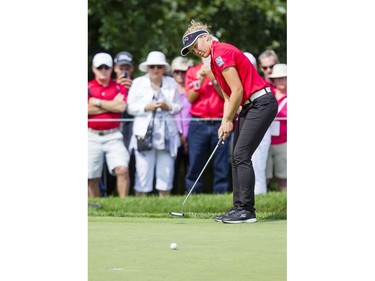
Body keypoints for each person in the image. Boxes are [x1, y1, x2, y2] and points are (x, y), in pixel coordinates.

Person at [181, 20, 278, 223]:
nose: (195, 51)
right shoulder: (213, 61)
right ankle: (238, 208)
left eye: (195, 46)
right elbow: (228, 97)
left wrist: (227, 120)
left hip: (261, 102)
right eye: (190, 50)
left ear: (205, 37)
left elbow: (238, 91)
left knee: (241, 155)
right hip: (251, 105)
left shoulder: (221, 52)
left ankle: (246, 210)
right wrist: (225, 123)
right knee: (236, 156)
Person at [127, 51, 182, 197]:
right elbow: (130, 107)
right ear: (147, 68)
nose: (155, 69)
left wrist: (168, 106)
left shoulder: (171, 83)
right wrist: (147, 107)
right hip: (144, 134)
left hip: (167, 134)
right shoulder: (138, 83)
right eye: (152, 66)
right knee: (143, 172)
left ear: (164, 68)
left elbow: (178, 106)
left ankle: (163, 205)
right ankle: (141, 207)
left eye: (159, 66)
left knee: (166, 172)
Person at [184, 54, 230, 194]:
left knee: (221, 163)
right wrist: (201, 78)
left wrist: (214, 79)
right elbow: (190, 98)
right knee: (195, 161)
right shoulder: (192, 71)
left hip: (219, 122)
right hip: (198, 123)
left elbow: (227, 96)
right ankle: (193, 193)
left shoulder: (225, 72)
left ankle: (221, 194)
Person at [88, 52, 130, 198]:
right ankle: (95, 207)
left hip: (113, 135)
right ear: (93, 68)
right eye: (100, 67)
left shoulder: (119, 87)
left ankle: (123, 207)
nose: (103, 70)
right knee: (90, 176)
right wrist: (112, 104)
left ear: (112, 68)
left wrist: (97, 102)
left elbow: (121, 107)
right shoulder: (87, 87)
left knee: (122, 169)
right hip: (91, 135)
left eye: (107, 67)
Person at [101, 51, 136, 196]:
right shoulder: (109, 85)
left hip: (130, 128)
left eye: (127, 68)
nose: (124, 71)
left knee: (127, 162)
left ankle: (127, 197)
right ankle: (107, 194)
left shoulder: (137, 85)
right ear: (115, 68)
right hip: (111, 127)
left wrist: (132, 90)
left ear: (132, 69)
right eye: (121, 68)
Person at [244, 51, 271, 195]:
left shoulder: (261, 84)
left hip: (261, 129)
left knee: (258, 166)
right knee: (245, 163)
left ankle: (259, 197)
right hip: (245, 129)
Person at [170, 56, 194, 194]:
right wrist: (180, 134)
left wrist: (187, 136)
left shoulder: (192, 89)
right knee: (172, 168)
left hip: (192, 134)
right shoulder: (168, 88)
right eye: (176, 71)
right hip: (174, 135)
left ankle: (191, 195)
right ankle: (172, 195)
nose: (180, 74)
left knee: (191, 168)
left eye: (183, 71)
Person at [266, 63, 287, 192]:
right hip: (266, 140)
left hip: (285, 141)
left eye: (284, 77)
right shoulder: (268, 93)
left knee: (284, 177)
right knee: (265, 176)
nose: (281, 81)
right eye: (278, 78)